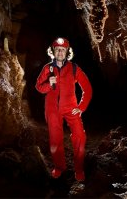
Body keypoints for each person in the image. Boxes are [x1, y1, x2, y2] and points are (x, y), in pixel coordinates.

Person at [36, 37, 92, 182]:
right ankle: (59, 167)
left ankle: (79, 169)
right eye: (57, 50)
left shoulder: (74, 68)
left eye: (63, 50)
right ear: (53, 52)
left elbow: (87, 88)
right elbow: (39, 87)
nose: (60, 52)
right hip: (52, 109)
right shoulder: (47, 68)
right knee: (55, 140)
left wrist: (81, 107)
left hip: (71, 107)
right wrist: (49, 83)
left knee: (80, 136)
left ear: (67, 52)